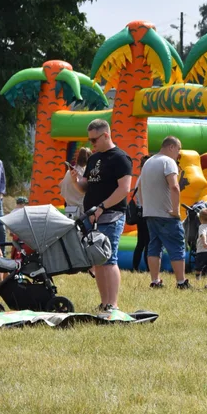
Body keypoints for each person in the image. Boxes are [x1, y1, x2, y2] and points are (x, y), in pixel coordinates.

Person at [78, 119, 133, 314]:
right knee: (97, 259)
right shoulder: (93, 158)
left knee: (109, 259)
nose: (91, 144)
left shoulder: (120, 158)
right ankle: (104, 303)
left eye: (94, 140)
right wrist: (73, 178)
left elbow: (124, 189)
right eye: (89, 140)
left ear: (106, 135)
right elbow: (86, 186)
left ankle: (113, 304)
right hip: (92, 216)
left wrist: (101, 206)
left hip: (111, 214)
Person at [140, 136, 190, 290]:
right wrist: (176, 210)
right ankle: (181, 282)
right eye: (178, 150)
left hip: (150, 213)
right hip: (166, 214)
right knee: (177, 246)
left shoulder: (148, 162)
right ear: (171, 147)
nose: (178, 154)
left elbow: (140, 188)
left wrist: (145, 207)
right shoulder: (168, 162)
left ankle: (155, 280)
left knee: (154, 246)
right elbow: (174, 187)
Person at [130, 155, 151, 273]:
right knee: (147, 242)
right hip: (145, 212)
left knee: (141, 242)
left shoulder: (140, 177)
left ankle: (135, 267)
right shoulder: (145, 178)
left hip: (139, 212)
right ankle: (148, 268)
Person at [59, 147, 91, 217]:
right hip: (82, 209)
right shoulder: (86, 172)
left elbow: (61, 185)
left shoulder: (69, 172)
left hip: (70, 208)